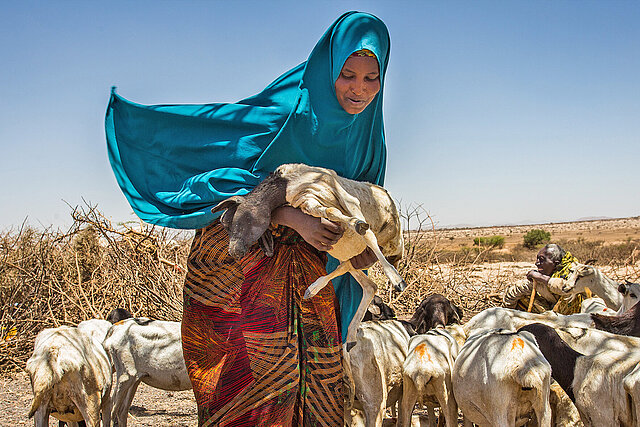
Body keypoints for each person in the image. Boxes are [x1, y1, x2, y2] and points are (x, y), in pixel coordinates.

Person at [105, 11, 391, 426]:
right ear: (329, 66)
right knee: (247, 387)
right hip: (243, 270)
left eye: (371, 78)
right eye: (348, 74)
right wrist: (294, 218)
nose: (359, 89)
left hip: (314, 280)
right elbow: (234, 179)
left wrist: (362, 250)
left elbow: (365, 208)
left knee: (321, 390)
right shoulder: (288, 111)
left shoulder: (369, 137)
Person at [503, 243, 580, 312]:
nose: (537, 263)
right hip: (551, 306)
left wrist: (542, 278)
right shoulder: (550, 272)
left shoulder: (574, 272)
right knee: (519, 289)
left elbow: (569, 289)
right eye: (537, 259)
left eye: (542, 260)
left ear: (556, 263)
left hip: (569, 315)